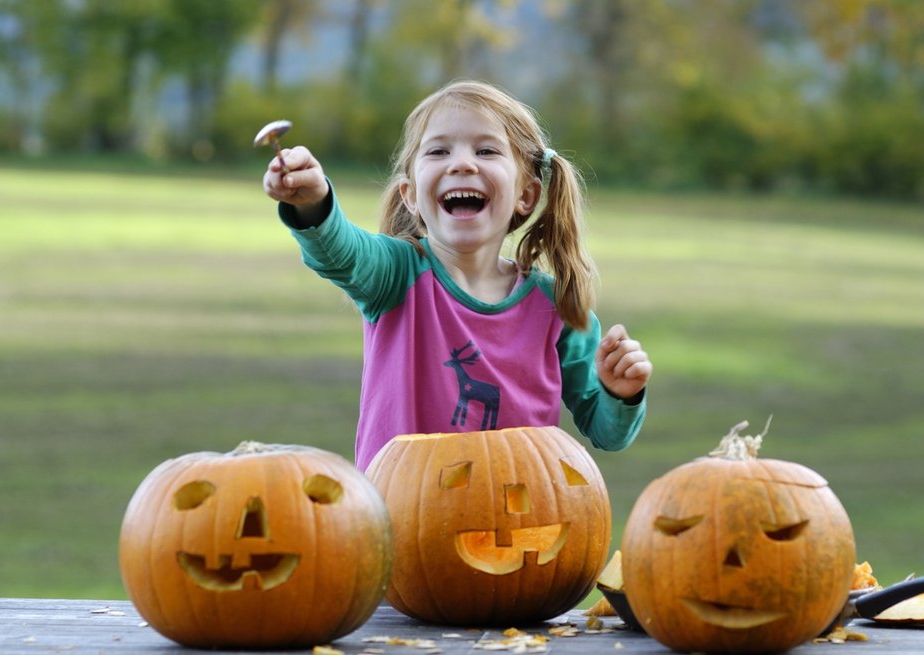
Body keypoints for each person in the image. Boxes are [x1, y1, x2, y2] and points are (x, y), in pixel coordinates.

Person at [262, 80, 652, 471]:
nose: (462, 163)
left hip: (520, 522)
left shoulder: (556, 308)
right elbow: (342, 252)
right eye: (438, 151)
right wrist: (314, 203)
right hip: (401, 520)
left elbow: (608, 433)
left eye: (486, 150)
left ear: (526, 195)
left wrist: (621, 394)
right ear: (410, 195)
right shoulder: (395, 275)